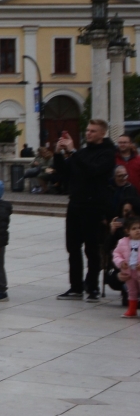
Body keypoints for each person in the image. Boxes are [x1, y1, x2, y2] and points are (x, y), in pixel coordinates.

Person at [51, 121, 117, 300]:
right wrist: (58, 152)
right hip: (75, 204)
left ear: (102, 133)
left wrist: (73, 152)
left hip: (93, 206)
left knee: (92, 248)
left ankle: (92, 286)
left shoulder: (108, 153)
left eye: (93, 131)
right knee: (72, 247)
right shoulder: (83, 153)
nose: (88, 133)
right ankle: (76, 287)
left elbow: (92, 171)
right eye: (87, 130)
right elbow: (65, 173)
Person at [114, 217, 140, 318]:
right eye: (134, 228)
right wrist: (120, 262)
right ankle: (132, 309)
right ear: (127, 231)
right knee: (131, 291)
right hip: (129, 272)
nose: (138, 230)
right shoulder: (123, 242)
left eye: (139, 228)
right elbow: (116, 254)